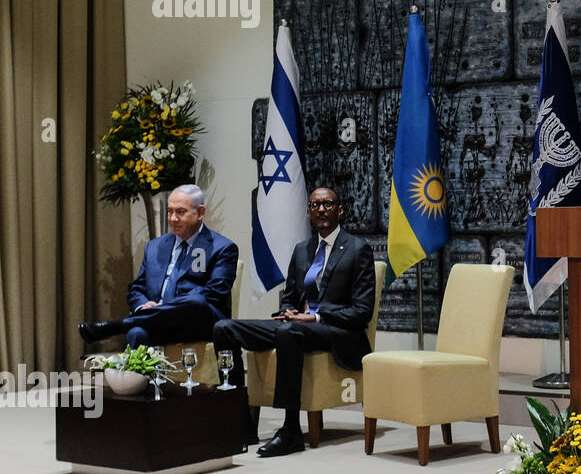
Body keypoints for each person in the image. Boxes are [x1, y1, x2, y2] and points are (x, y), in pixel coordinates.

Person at [212, 187, 375, 457]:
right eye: (315, 205)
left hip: (337, 331)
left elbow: (361, 312)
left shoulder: (358, 250)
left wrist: (315, 316)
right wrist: (287, 311)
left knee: (290, 332)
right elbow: (289, 298)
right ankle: (240, 421)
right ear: (309, 212)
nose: (321, 209)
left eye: (328, 204)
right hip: (297, 325)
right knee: (224, 328)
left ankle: (290, 430)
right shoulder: (302, 250)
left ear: (340, 210)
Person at [79, 184, 237, 348]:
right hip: (158, 323)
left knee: (197, 301)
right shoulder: (155, 247)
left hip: (198, 323)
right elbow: (136, 288)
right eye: (170, 211)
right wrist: (143, 305)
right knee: (136, 333)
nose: (173, 218)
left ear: (200, 212)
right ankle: (138, 360)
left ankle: (120, 326)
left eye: (181, 212)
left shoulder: (222, 248)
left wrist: (169, 306)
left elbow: (214, 293)